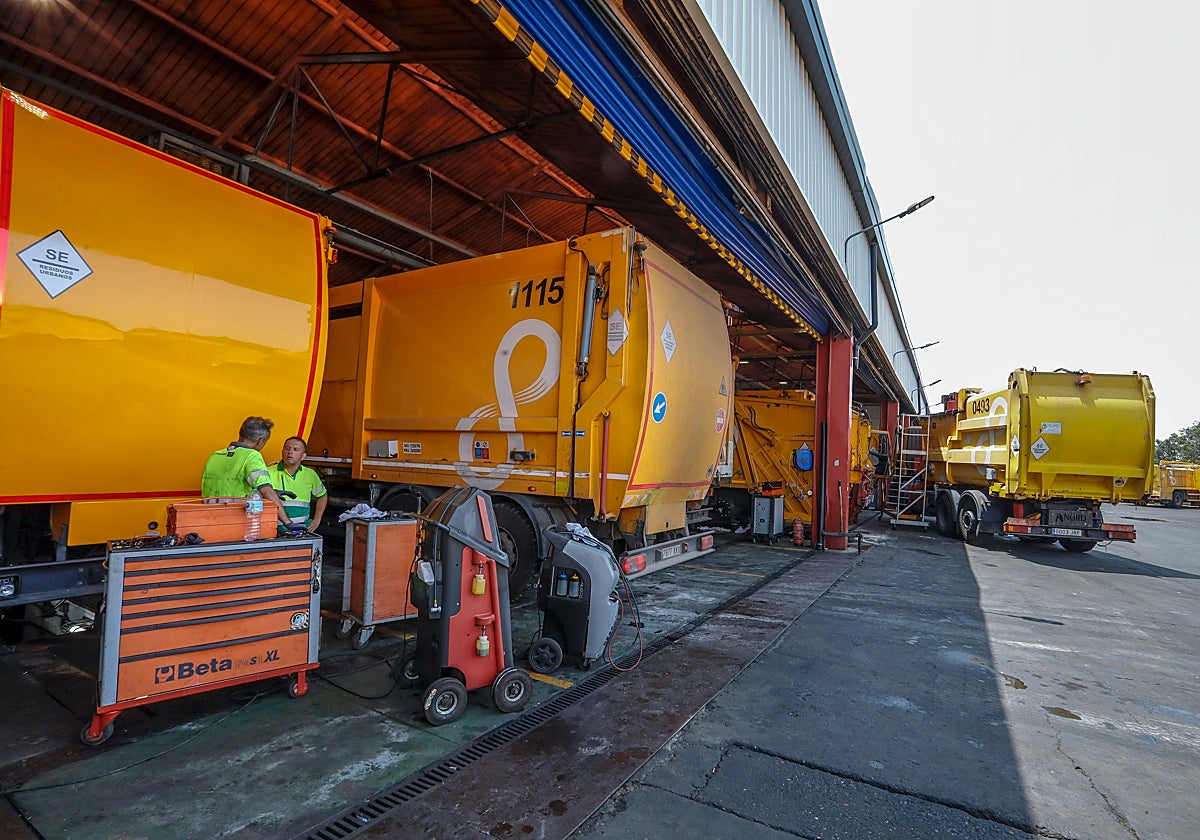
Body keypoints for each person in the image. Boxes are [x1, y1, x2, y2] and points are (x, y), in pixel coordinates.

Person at [200, 416, 287, 527]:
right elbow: (266, 490)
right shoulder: (252, 455)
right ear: (261, 441)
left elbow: (228, 487)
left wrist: (267, 493)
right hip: (235, 522)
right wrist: (287, 522)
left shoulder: (215, 456)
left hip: (208, 520)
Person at [270, 436, 328, 534]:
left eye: (295, 449)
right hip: (274, 531)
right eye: (287, 448)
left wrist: (316, 520)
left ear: (303, 456)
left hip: (301, 530)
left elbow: (322, 496)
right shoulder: (268, 472)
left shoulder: (310, 475)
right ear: (282, 452)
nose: (290, 452)